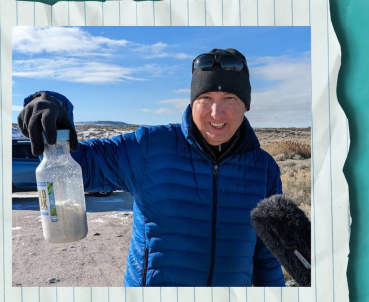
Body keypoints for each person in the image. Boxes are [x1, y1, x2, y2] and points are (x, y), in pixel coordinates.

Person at [18, 48, 285, 287]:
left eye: (229, 98)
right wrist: (54, 106)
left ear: (245, 105)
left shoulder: (264, 169)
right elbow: (80, 166)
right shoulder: (149, 148)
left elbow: (267, 257)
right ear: (193, 103)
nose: (216, 113)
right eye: (205, 98)